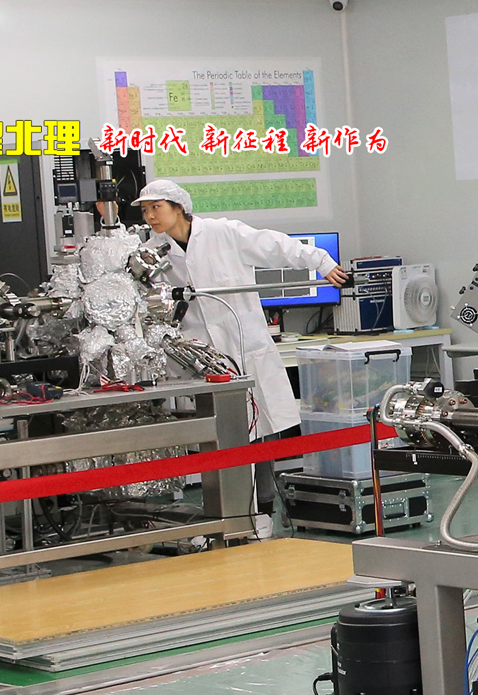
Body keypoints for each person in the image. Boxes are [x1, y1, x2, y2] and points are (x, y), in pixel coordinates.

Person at [134, 180, 344, 506]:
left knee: (261, 431)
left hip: (245, 349)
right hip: (200, 359)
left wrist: (321, 261)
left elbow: (275, 246)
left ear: (179, 207)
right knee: (218, 438)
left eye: (156, 207)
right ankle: (228, 511)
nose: (150, 216)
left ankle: (265, 507)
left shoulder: (223, 233)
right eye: (146, 210)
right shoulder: (153, 252)